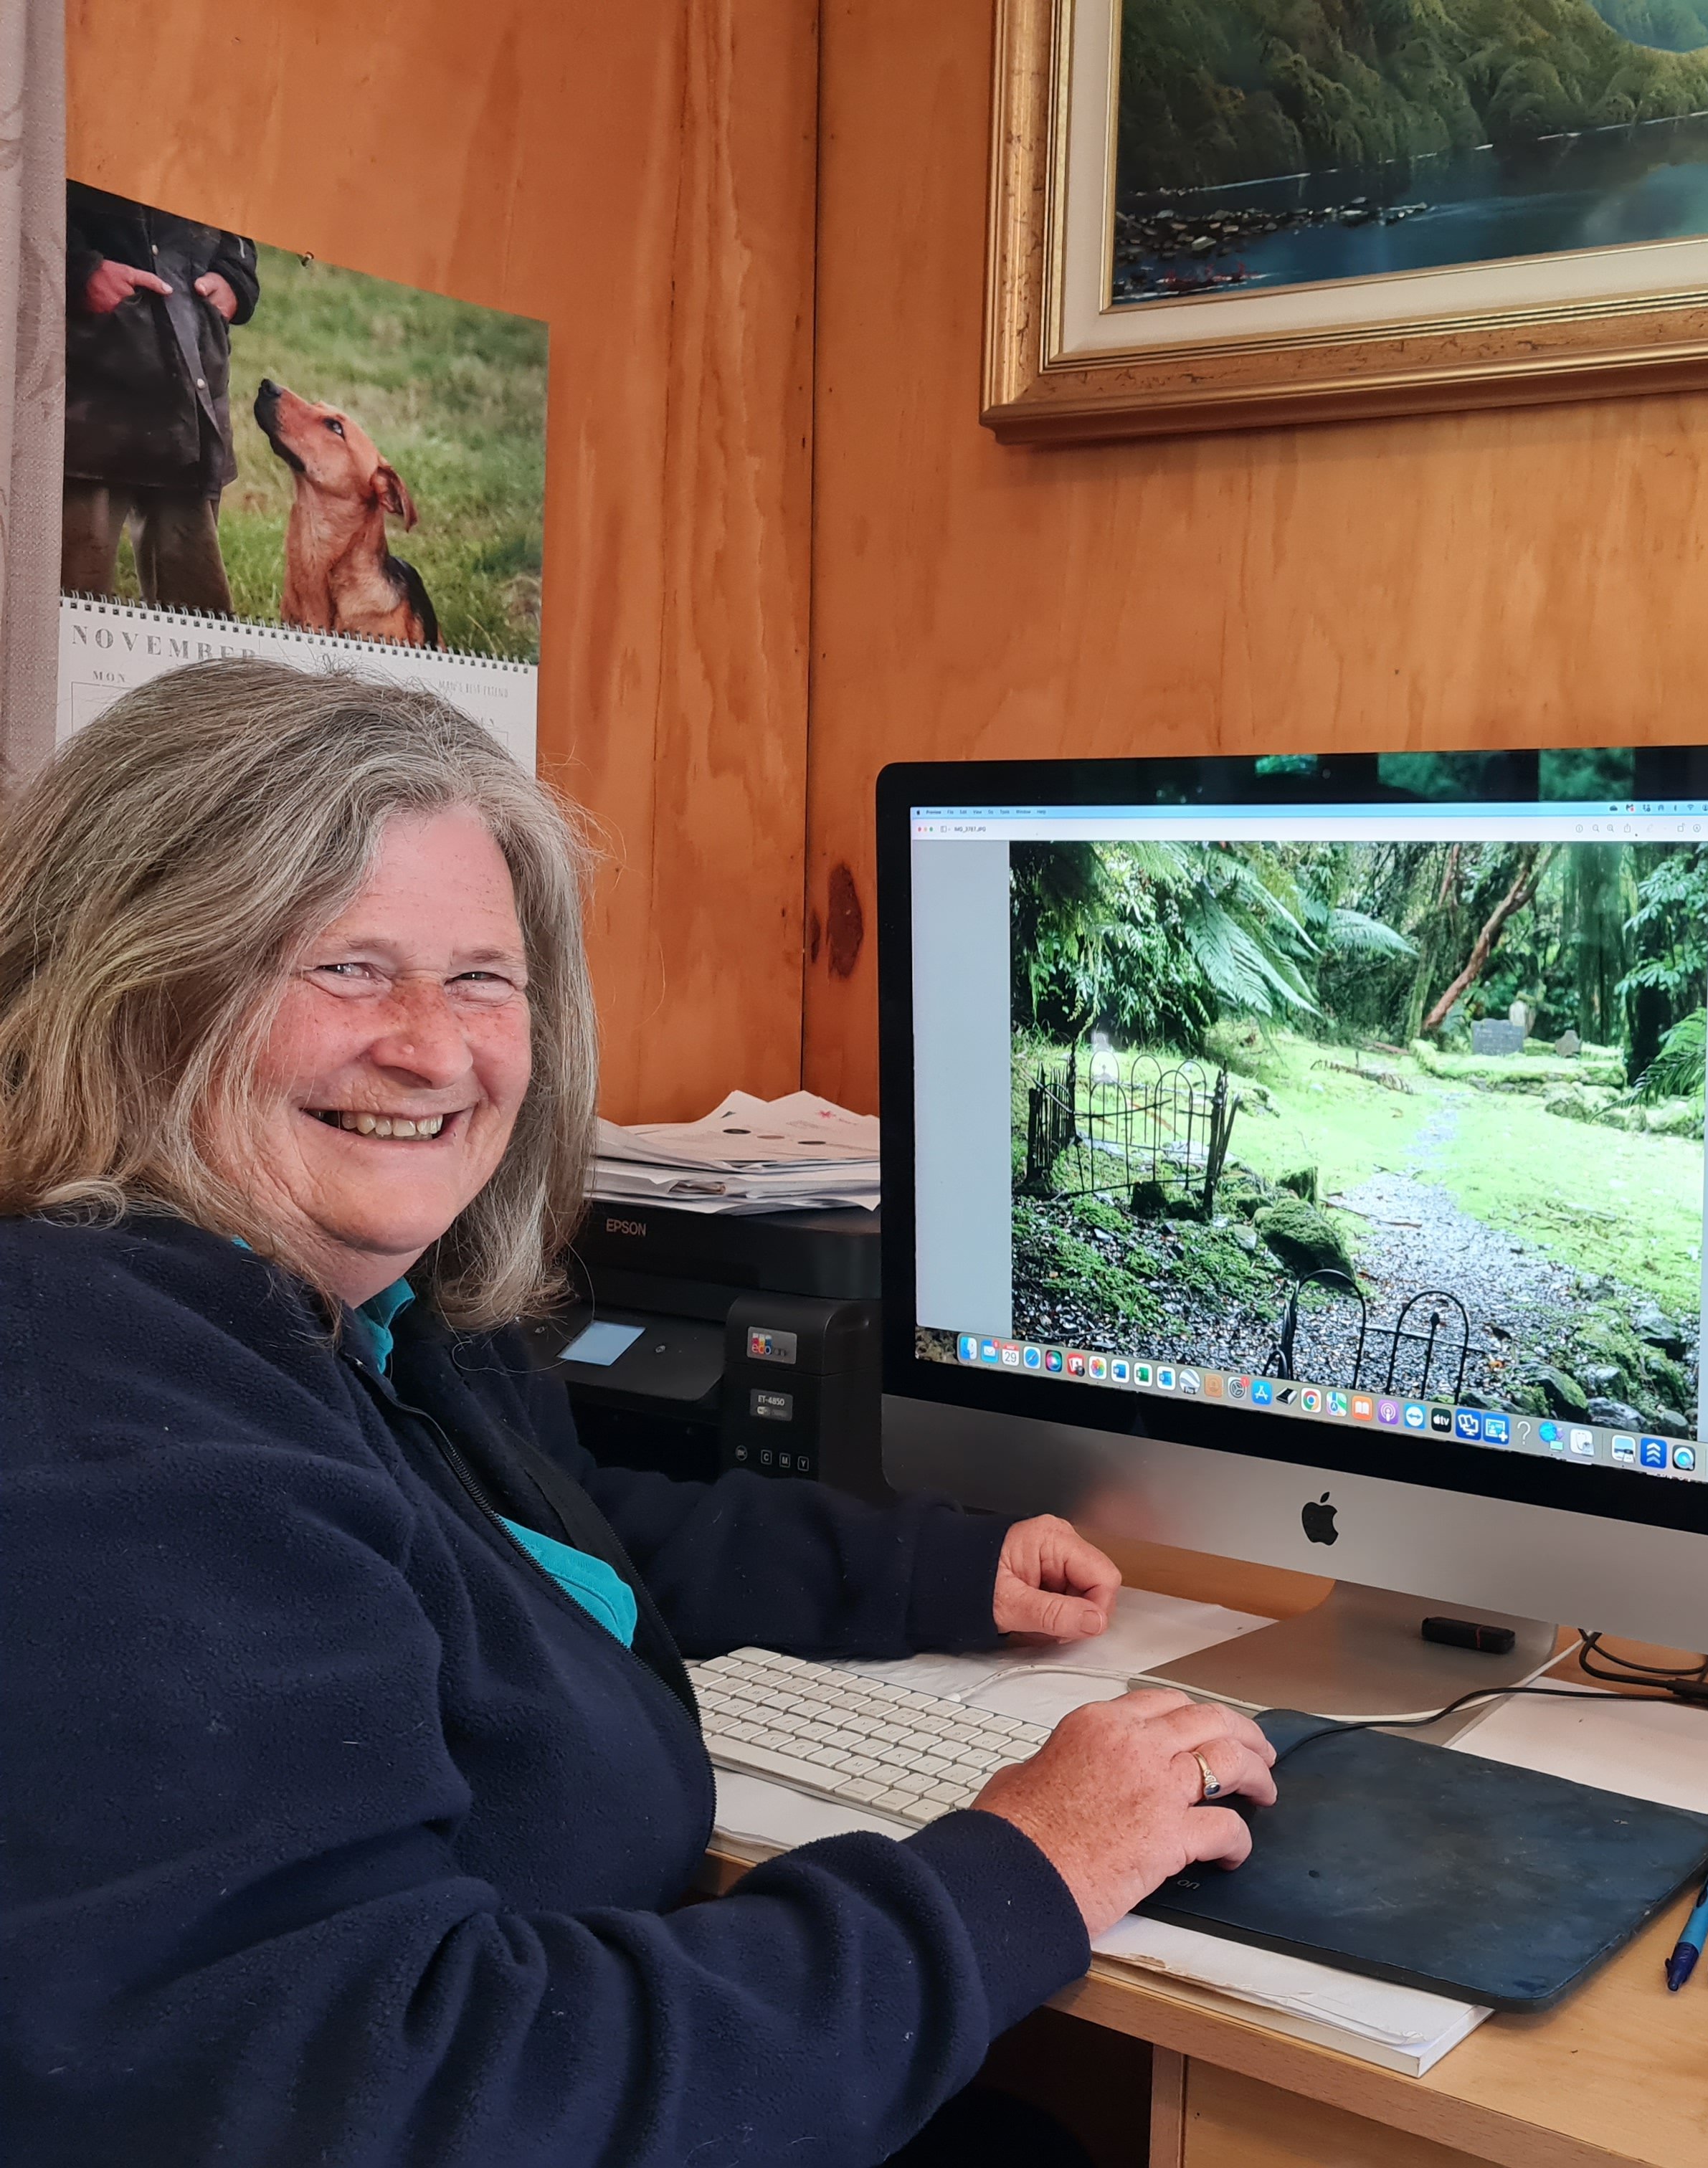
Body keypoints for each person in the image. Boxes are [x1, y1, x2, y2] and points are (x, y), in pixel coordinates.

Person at [0, 661, 1280, 2166]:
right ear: (132, 991)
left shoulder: (343, 1325)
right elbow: (406, 2095)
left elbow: (541, 1556)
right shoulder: (102, 1424)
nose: (432, 1045)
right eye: (342, 967)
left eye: (482, 978)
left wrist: (920, 1572)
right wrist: (1022, 1870)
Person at [62, 182, 260, 614]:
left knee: (196, 606)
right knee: (69, 588)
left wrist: (236, 277)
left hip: (190, 376)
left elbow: (241, 195)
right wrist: (78, 269)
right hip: (87, 388)